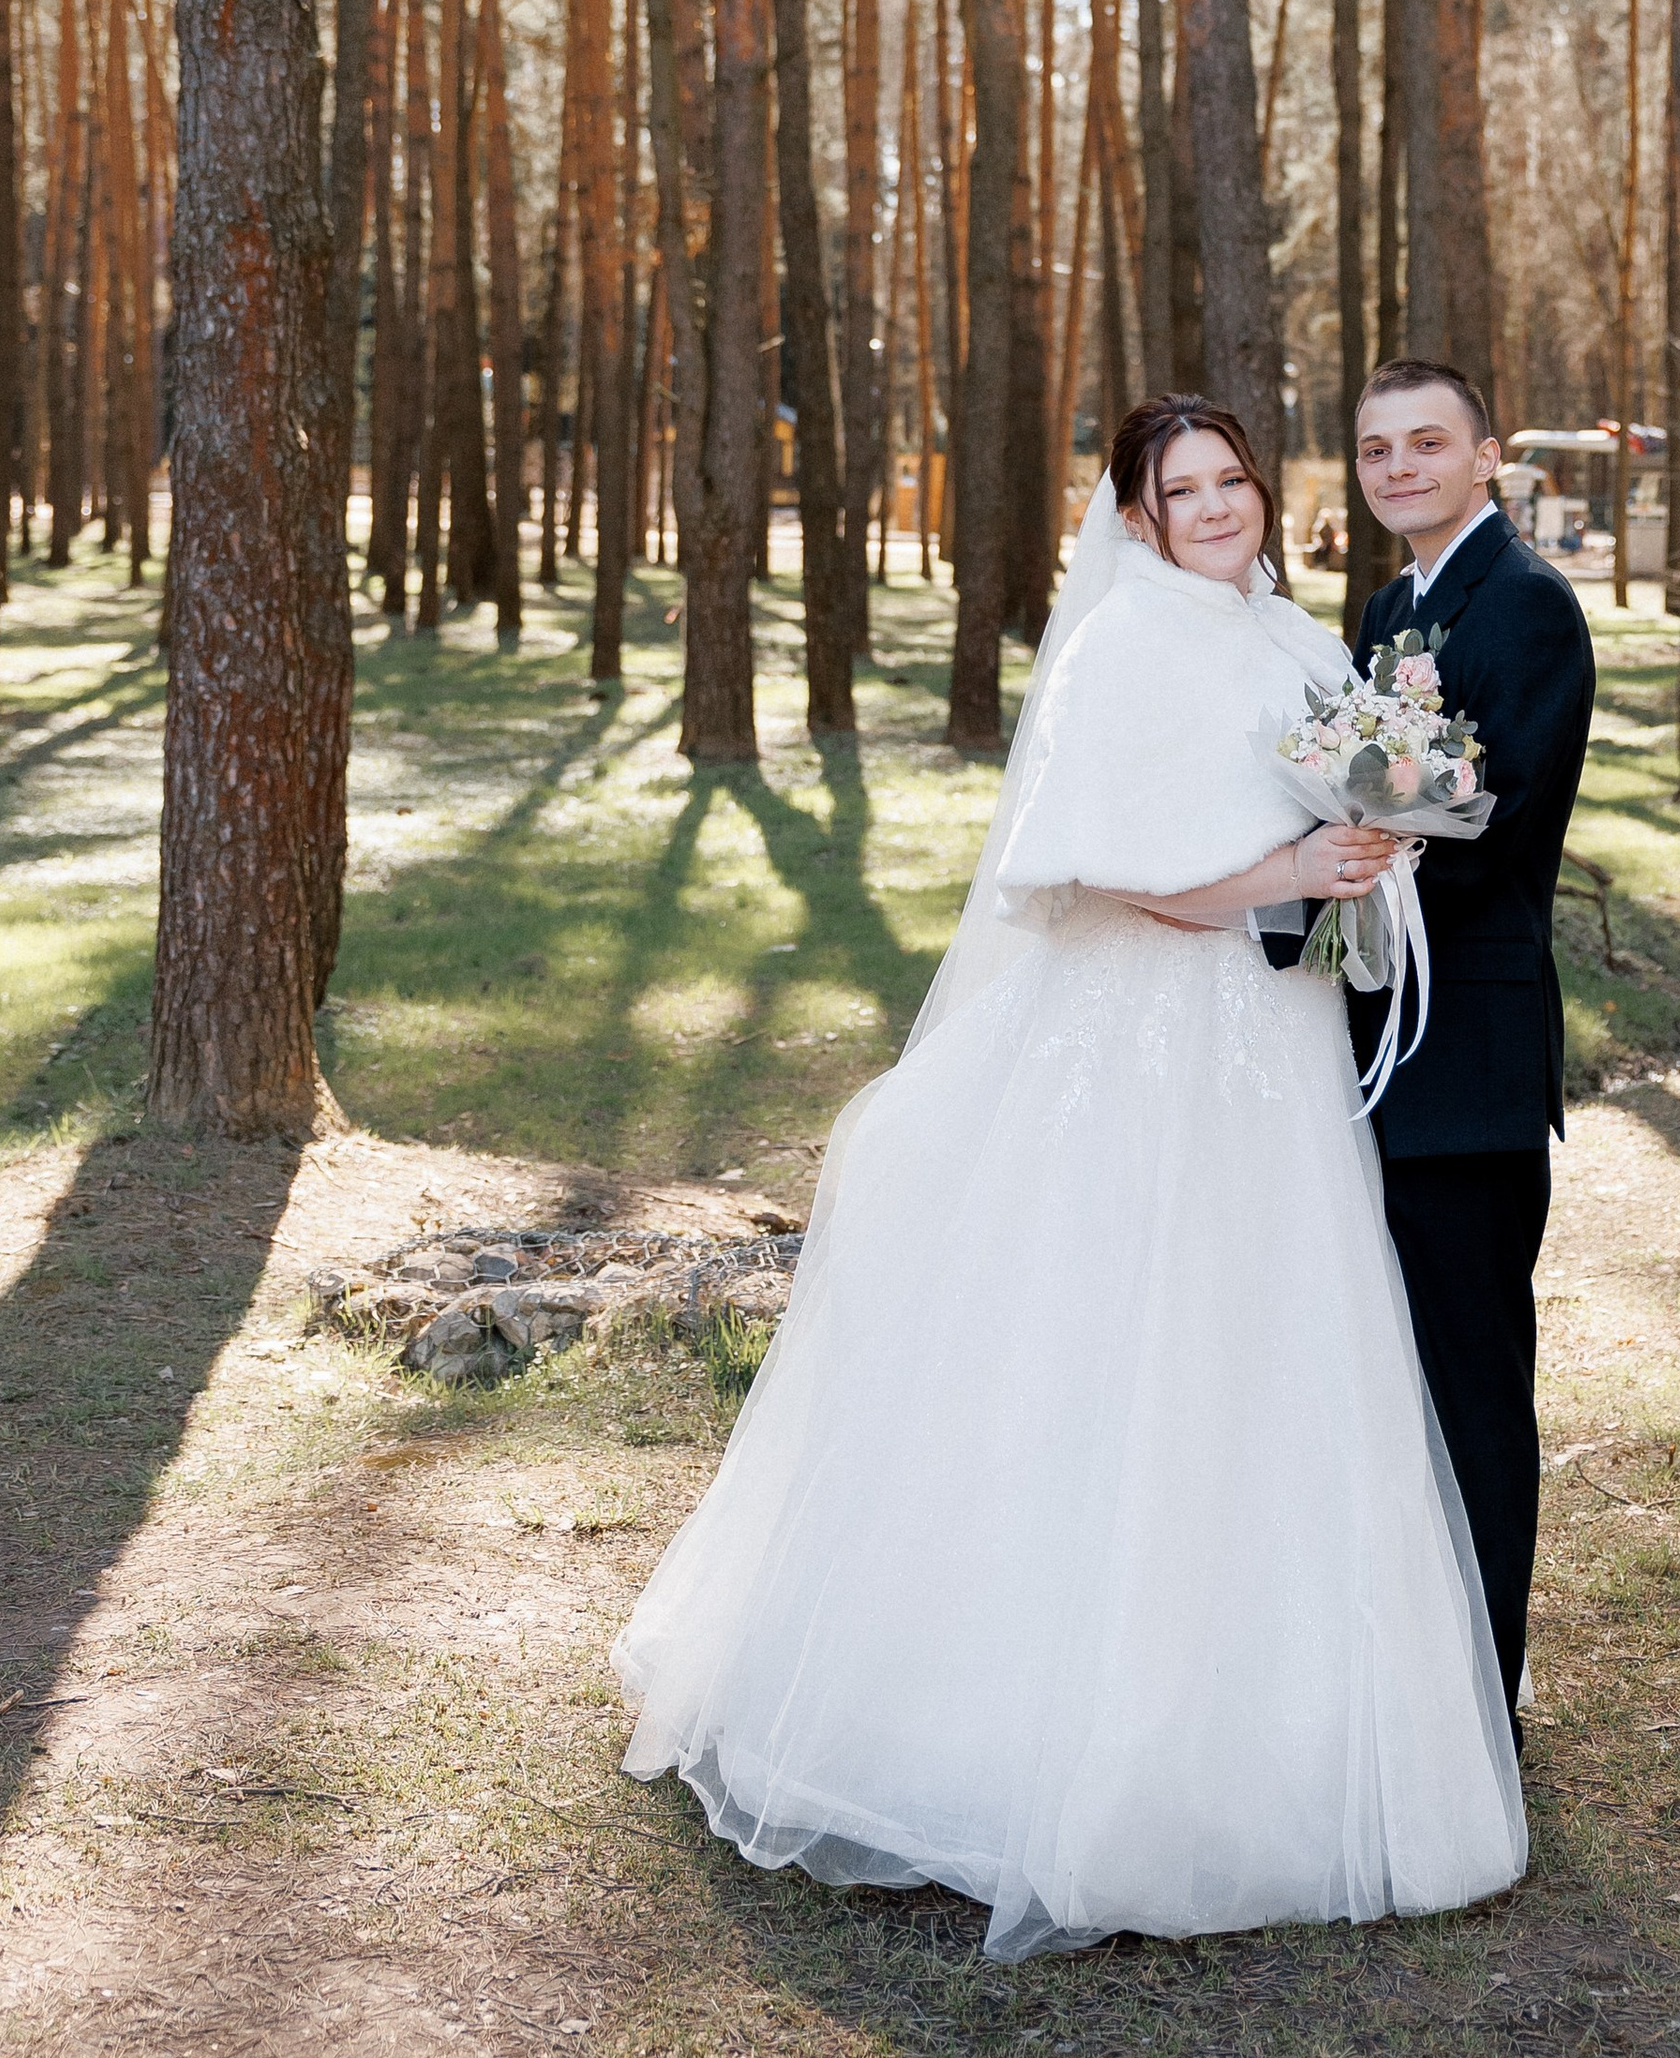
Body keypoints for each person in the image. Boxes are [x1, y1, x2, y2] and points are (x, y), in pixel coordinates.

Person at [615, 393, 1526, 1961]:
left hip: (1280, 1041)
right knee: (1114, 1349)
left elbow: (1344, 799)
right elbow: (1097, 869)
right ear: (1141, 516)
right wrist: (1281, 877)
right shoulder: (1125, 646)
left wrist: (1372, 851)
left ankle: (1287, 1728)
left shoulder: (1301, 639)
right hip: (1148, 1045)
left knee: (1270, 1358)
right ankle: (1039, 1739)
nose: (1219, 507)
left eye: (1235, 479)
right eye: (1185, 491)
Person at [1342, 360, 1594, 1735]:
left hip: (1471, 1060)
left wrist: (1355, 867)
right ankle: (1408, 1669)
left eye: (1426, 443)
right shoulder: (1392, 608)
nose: (1398, 468)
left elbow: (1489, 821)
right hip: (1377, 1032)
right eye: (1376, 448)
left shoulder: (1530, 607)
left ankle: (1482, 1703)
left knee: (1477, 1384)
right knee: (1393, 1376)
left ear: (1486, 457)